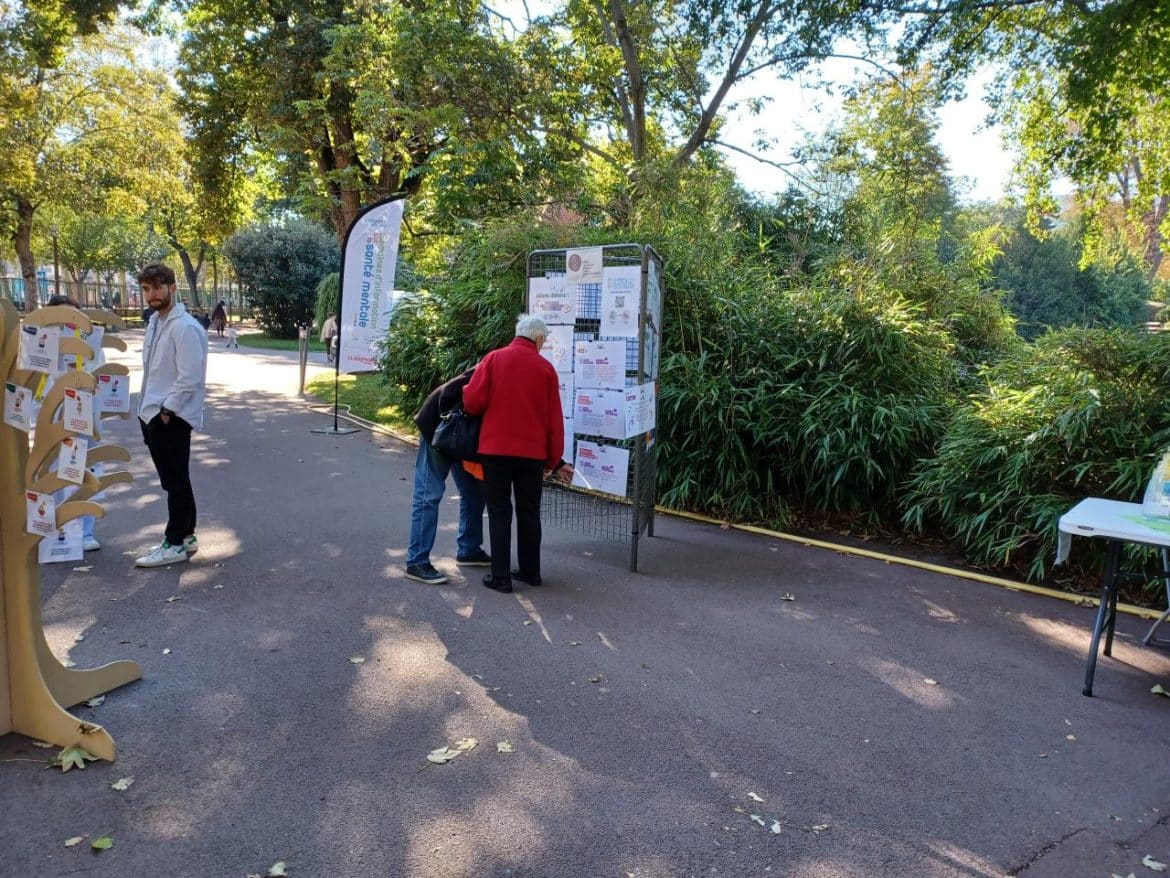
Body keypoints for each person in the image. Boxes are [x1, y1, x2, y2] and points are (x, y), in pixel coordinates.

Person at [462, 315, 573, 593]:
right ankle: (530, 571)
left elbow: (473, 402)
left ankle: (500, 576)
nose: (543, 346)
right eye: (543, 341)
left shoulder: (494, 359)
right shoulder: (546, 369)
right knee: (529, 511)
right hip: (532, 455)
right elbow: (554, 421)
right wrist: (553, 460)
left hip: (495, 450)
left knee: (500, 510)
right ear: (537, 338)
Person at [133, 264, 208, 568]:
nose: (152, 294)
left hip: (169, 416)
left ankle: (174, 543)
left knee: (174, 482)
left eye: (158, 288)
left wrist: (167, 410)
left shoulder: (185, 327)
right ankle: (187, 535)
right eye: (147, 289)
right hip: (152, 411)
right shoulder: (155, 322)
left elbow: (190, 377)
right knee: (177, 478)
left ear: (173, 288)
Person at [403, 369, 492, 584]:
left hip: (462, 435)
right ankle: (416, 561)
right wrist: (448, 427)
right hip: (440, 430)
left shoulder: (503, 368)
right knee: (428, 495)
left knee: (474, 492)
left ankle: (469, 549)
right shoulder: (497, 366)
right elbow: (452, 393)